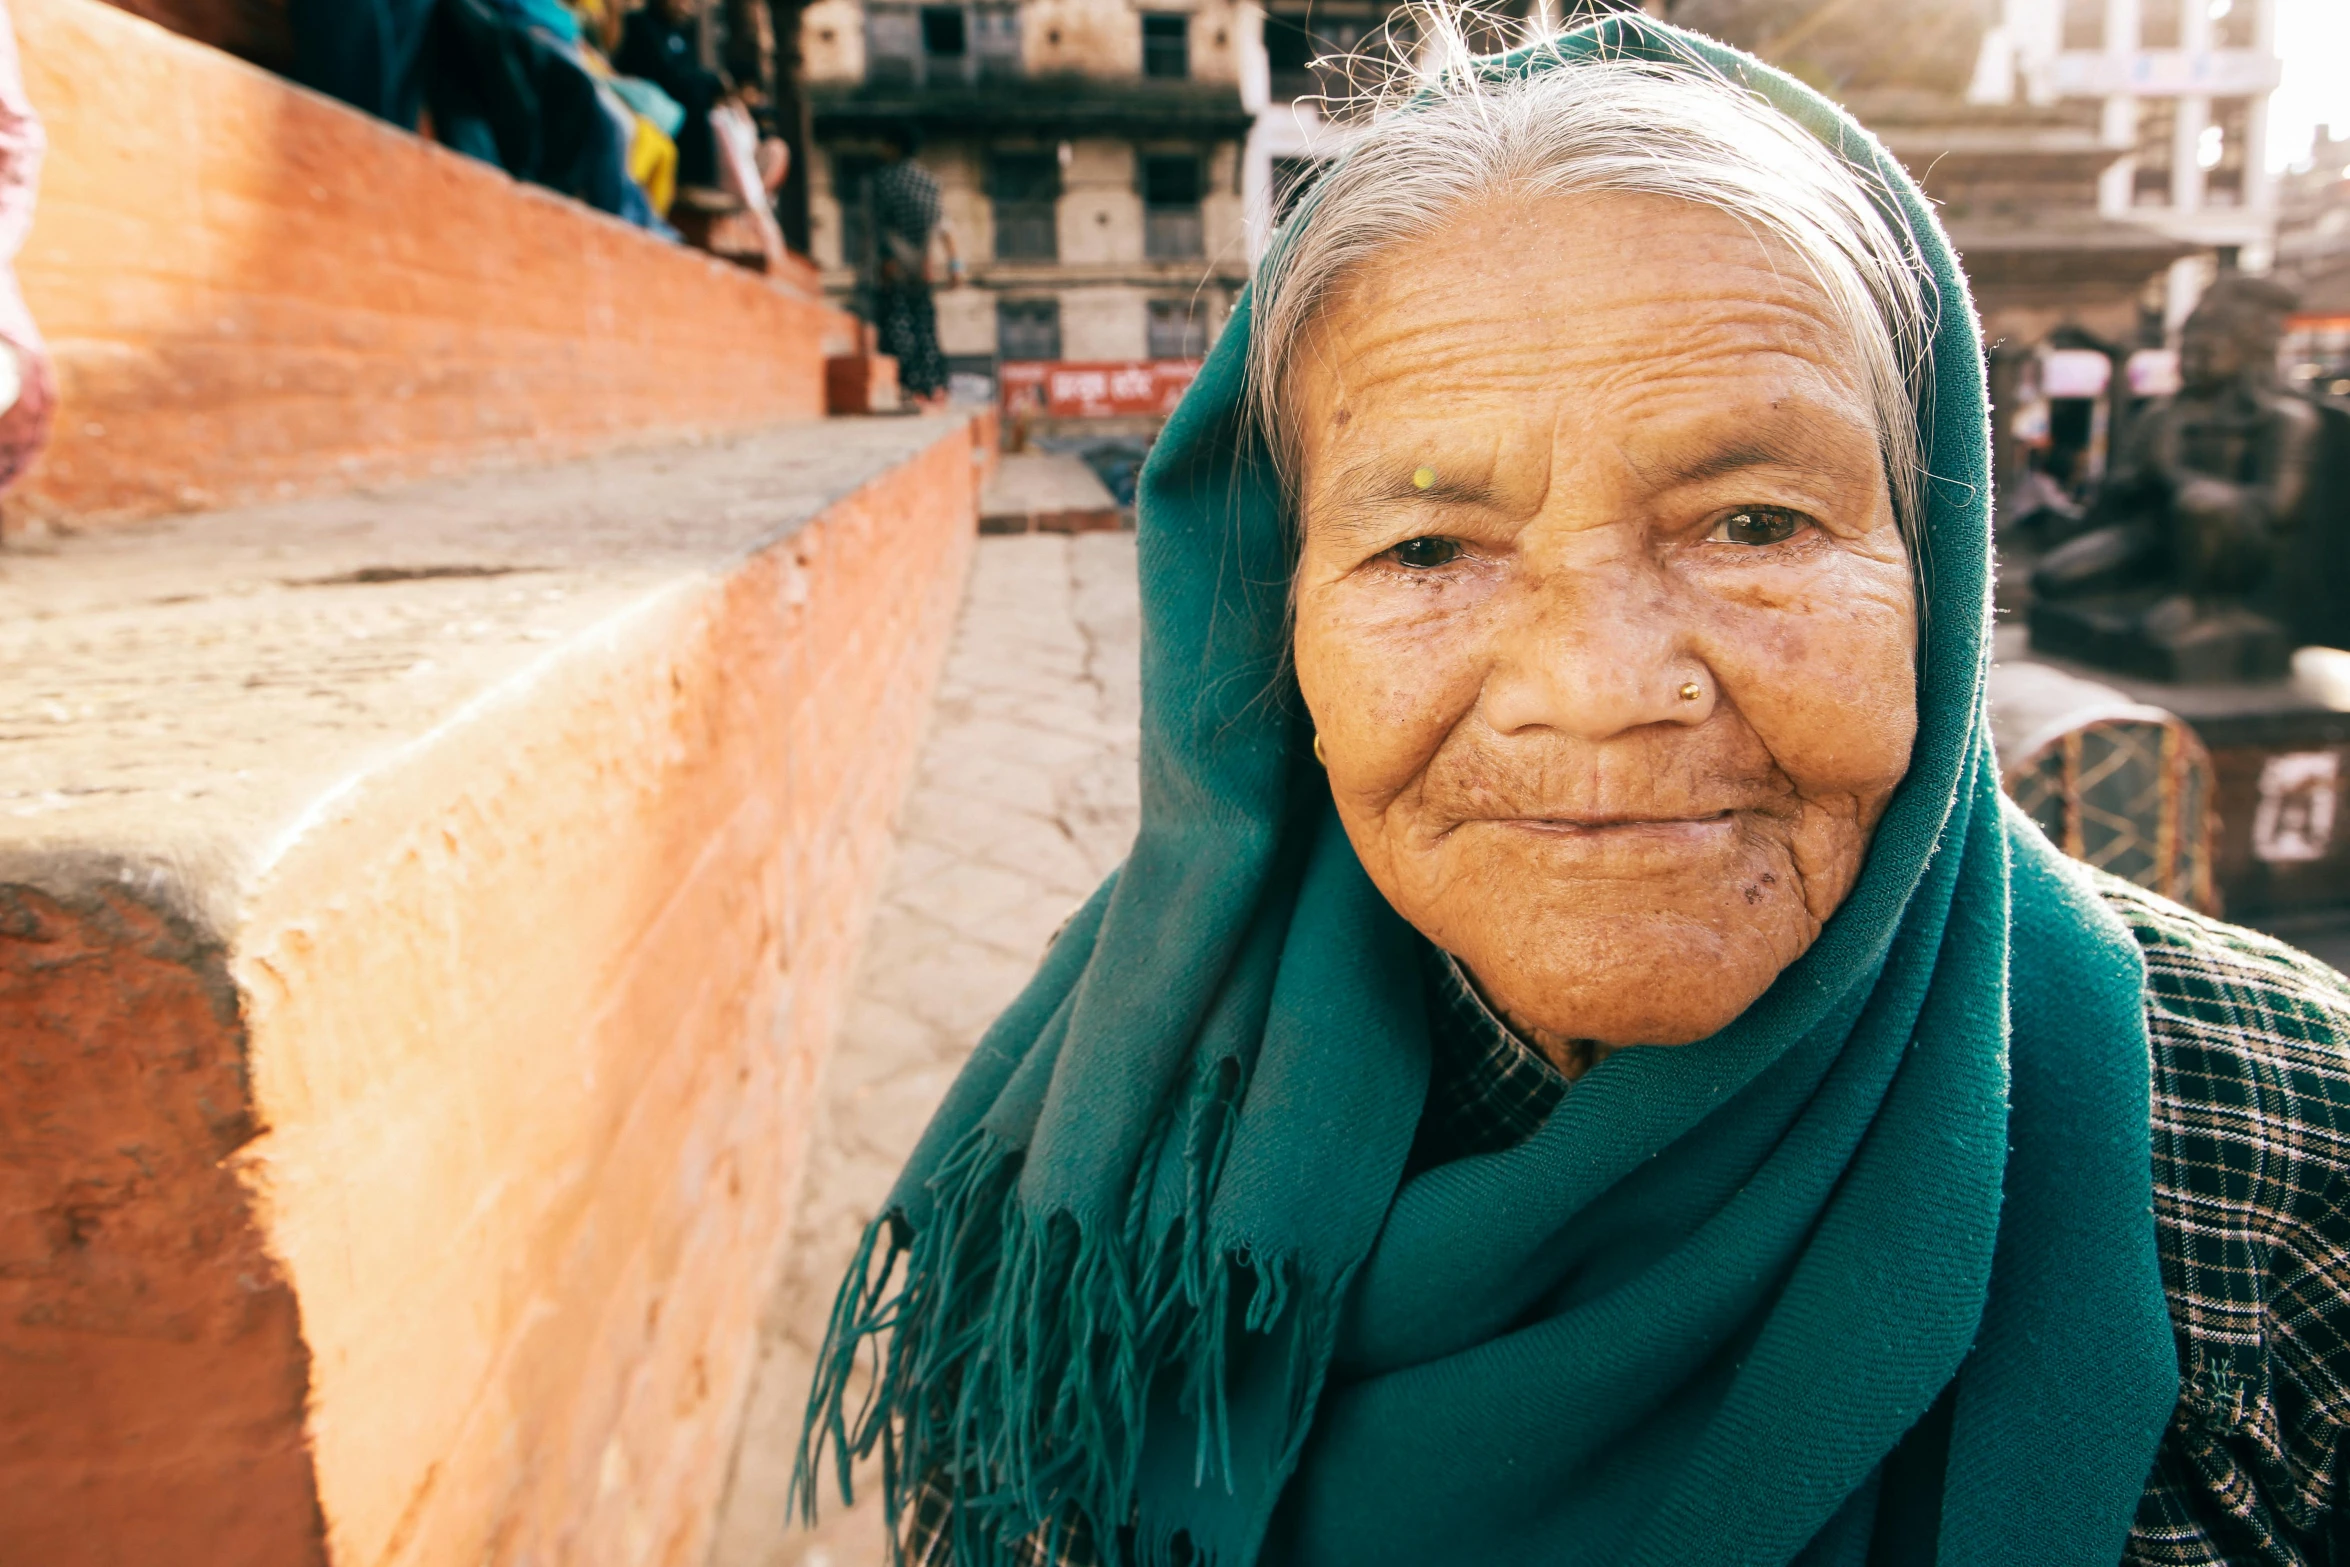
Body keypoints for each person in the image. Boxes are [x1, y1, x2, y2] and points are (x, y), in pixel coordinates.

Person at [796, 16, 2350, 1567]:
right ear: (1277, 631)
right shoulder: (1096, 1170)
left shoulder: (2288, 1161)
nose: (1600, 684)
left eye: (1752, 520)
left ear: (1930, 582)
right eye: (1426, 547)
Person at [858, 126, 958, 407]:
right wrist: (955, 264)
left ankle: (907, 387)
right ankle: (934, 386)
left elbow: (876, 226)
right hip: (923, 264)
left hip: (893, 263)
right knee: (925, 326)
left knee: (896, 327)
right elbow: (944, 225)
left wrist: (880, 262)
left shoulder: (883, 180)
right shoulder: (928, 182)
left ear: (893, 147)